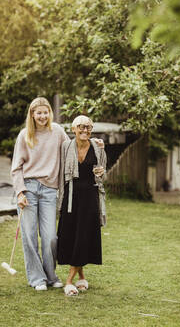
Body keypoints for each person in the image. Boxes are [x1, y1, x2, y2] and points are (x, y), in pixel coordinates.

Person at [11, 98, 104, 291]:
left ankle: (51, 276)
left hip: (49, 190)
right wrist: (20, 192)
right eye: (39, 113)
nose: (43, 116)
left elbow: (75, 143)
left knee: (51, 237)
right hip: (28, 188)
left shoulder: (57, 131)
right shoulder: (24, 135)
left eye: (46, 112)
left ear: (50, 113)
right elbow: (16, 168)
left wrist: (92, 141)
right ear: (32, 114)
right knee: (29, 236)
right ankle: (37, 279)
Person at [57, 115, 107, 296]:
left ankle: (69, 282)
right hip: (70, 197)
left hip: (90, 198)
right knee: (71, 236)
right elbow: (60, 171)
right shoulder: (65, 146)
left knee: (83, 236)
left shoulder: (98, 146)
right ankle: (82, 277)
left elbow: (103, 174)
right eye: (81, 127)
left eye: (88, 127)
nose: (85, 130)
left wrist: (102, 172)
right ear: (73, 129)